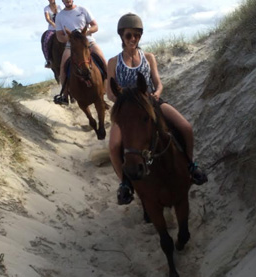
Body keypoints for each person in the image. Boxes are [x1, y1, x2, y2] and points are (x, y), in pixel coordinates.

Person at [105, 13, 208, 205]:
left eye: (137, 35)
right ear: (121, 36)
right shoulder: (113, 62)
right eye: (129, 35)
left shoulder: (149, 57)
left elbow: (158, 83)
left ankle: (191, 166)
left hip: (151, 104)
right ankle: (125, 184)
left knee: (185, 127)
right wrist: (121, 101)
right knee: (113, 146)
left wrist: (157, 93)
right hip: (128, 112)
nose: (133, 39)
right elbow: (109, 93)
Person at [54, 0, 106, 104]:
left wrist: (88, 31)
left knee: (104, 61)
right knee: (63, 67)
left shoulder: (83, 10)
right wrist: (68, 38)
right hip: (71, 46)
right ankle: (64, 95)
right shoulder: (59, 16)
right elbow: (59, 35)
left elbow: (95, 26)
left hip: (88, 42)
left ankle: (111, 88)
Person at [42, 0, 62, 68]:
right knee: (46, 40)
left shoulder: (59, 7)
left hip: (61, 27)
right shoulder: (46, 8)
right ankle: (48, 60)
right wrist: (53, 24)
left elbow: (63, 15)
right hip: (52, 29)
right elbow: (47, 18)